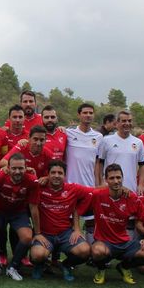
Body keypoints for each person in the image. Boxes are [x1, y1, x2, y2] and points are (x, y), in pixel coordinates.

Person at [89, 164, 144, 285]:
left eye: (118, 177)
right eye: (112, 178)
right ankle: (101, 270)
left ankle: (124, 267)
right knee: (97, 252)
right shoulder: (98, 195)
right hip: (103, 241)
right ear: (106, 180)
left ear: (123, 178)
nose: (116, 181)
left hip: (125, 242)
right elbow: (80, 198)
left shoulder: (130, 197)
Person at [0, 153, 40, 281]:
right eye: (14, 168)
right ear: (8, 168)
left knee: (27, 237)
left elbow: (34, 207)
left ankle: (13, 267)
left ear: (26, 167)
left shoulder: (32, 180)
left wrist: (38, 232)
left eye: (21, 168)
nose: (17, 171)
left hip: (18, 213)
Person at [28, 160, 92, 282]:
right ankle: (40, 264)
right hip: (45, 234)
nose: (56, 175)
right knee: (37, 255)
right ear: (48, 174)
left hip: (65, 234)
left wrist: (77, 228)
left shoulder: (73, 189)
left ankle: (65, 265)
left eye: (60, 173)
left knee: (85, 251)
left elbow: (93, 192)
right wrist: (37, 233)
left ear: (65, 175)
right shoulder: (39, 187)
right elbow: (24, 183)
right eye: (53, 172)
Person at [65, 103, 103, 243]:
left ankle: (91, 252)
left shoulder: (98, 137)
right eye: (85, 112)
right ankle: (73, 250)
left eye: (90, 113)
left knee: (90, 222)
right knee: (70, 222)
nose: (88, 115)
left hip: (89, 186)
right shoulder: (68, 133)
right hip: (71, 186)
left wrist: (98, 185)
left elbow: (98, 163)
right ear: (79, 115)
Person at [95, 110, 144, 193]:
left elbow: (143, 164)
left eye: (129, 121)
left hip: (131, 188)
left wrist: (141, 184)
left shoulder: (138, 142)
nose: (127, 123)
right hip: (110, 187)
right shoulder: (106, 140)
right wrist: (101, 181)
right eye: (124, 121)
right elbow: (100, 162)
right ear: (117, 123)